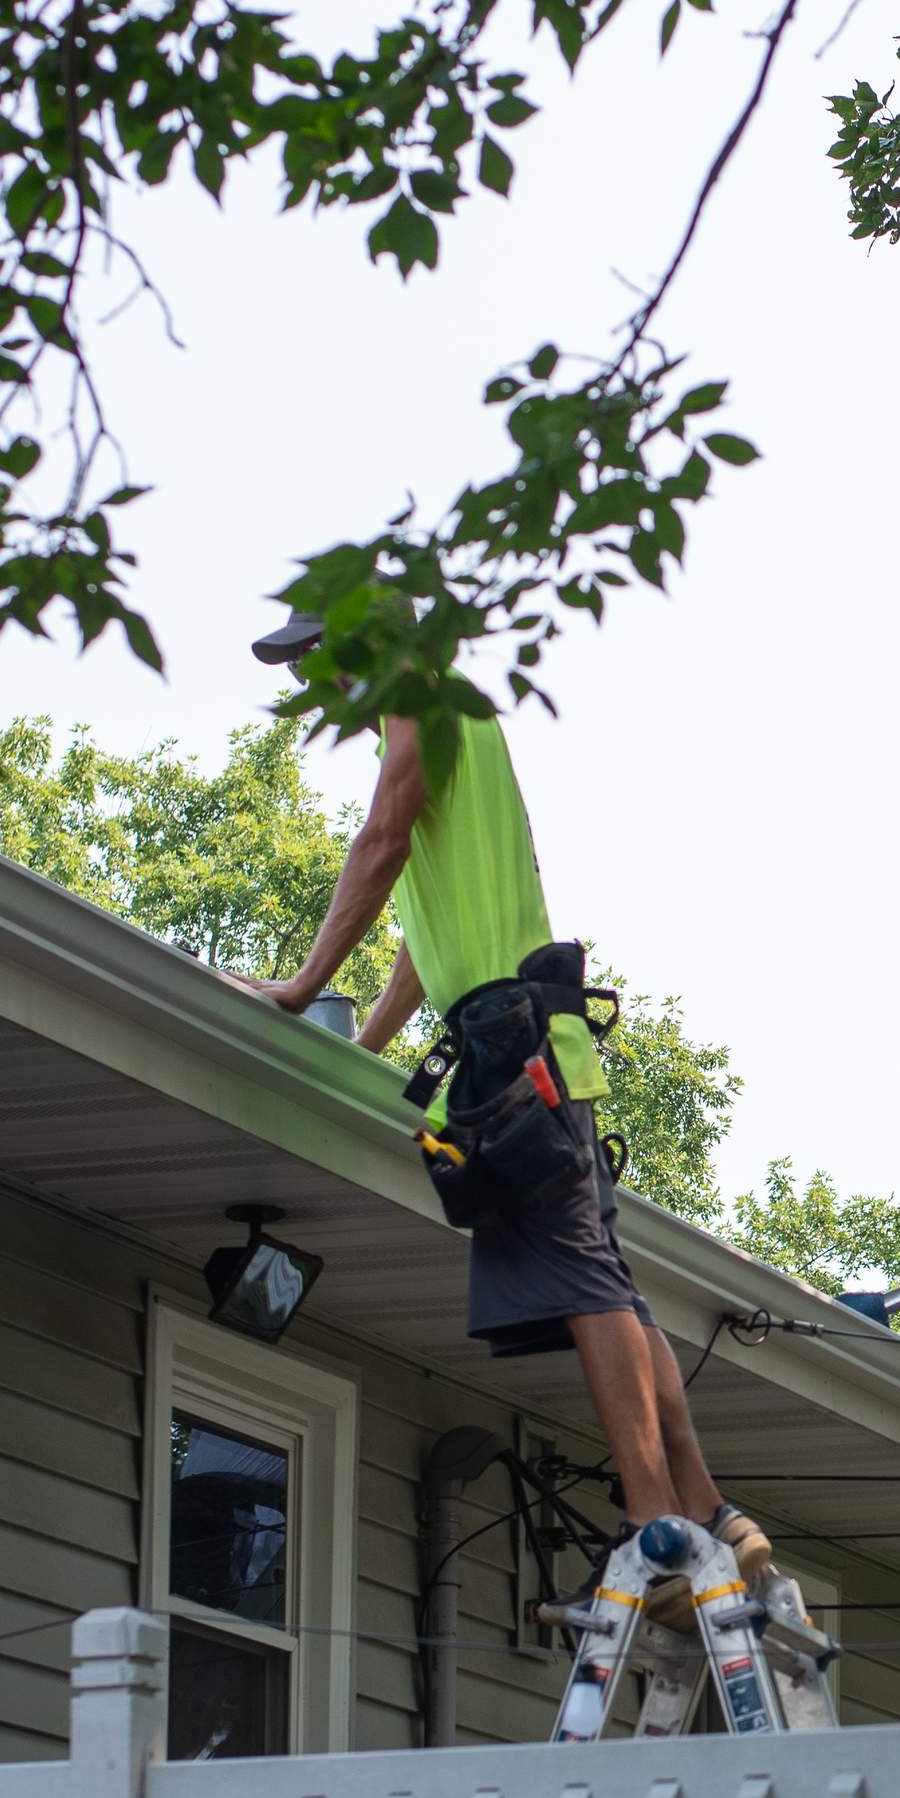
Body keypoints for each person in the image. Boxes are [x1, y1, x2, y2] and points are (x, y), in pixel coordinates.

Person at [240, 606, 769, 1590]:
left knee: (585, 1283)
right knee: (609, 1280)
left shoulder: (422, 696)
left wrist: (304, 986)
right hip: (533, 1040)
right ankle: (708, 1511)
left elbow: (382, 841)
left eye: (316, 656)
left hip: (514, 1046)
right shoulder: (455, 730)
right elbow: (425, 936)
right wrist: (366, 1049)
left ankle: (656, 1525)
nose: (312, 680)